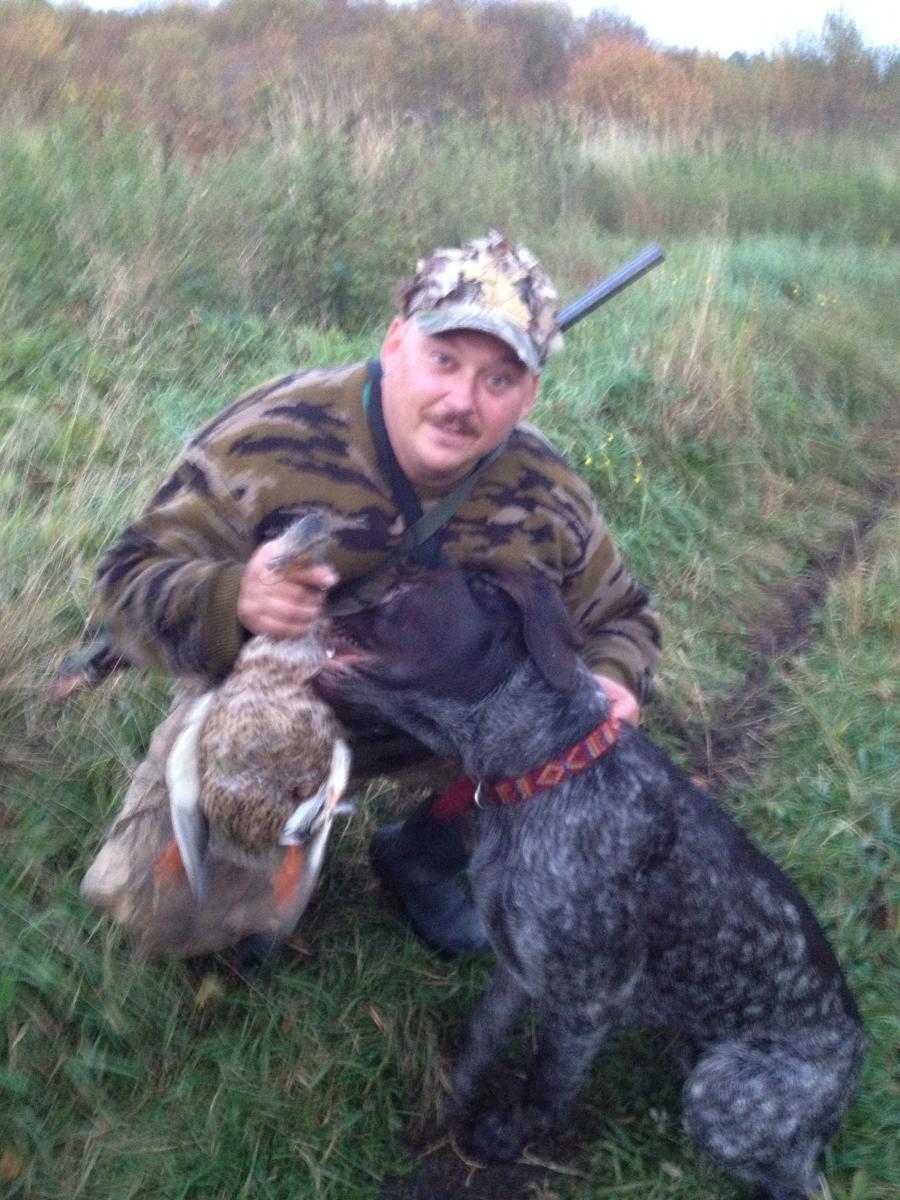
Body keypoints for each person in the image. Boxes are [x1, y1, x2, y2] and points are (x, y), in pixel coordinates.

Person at [88, 231, 660, 958]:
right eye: (444, 360)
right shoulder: (275, 438)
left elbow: (622, 617)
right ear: (394, 344)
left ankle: (421, 857)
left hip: (445, 718)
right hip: (279, 717)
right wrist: (236, 598)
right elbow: (126, 581)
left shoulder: (545, 492)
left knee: (575, 735)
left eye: (498, 379)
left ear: (530, 395)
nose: (461, 401)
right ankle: (250, 874)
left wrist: (612, 681)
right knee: (175, 923)